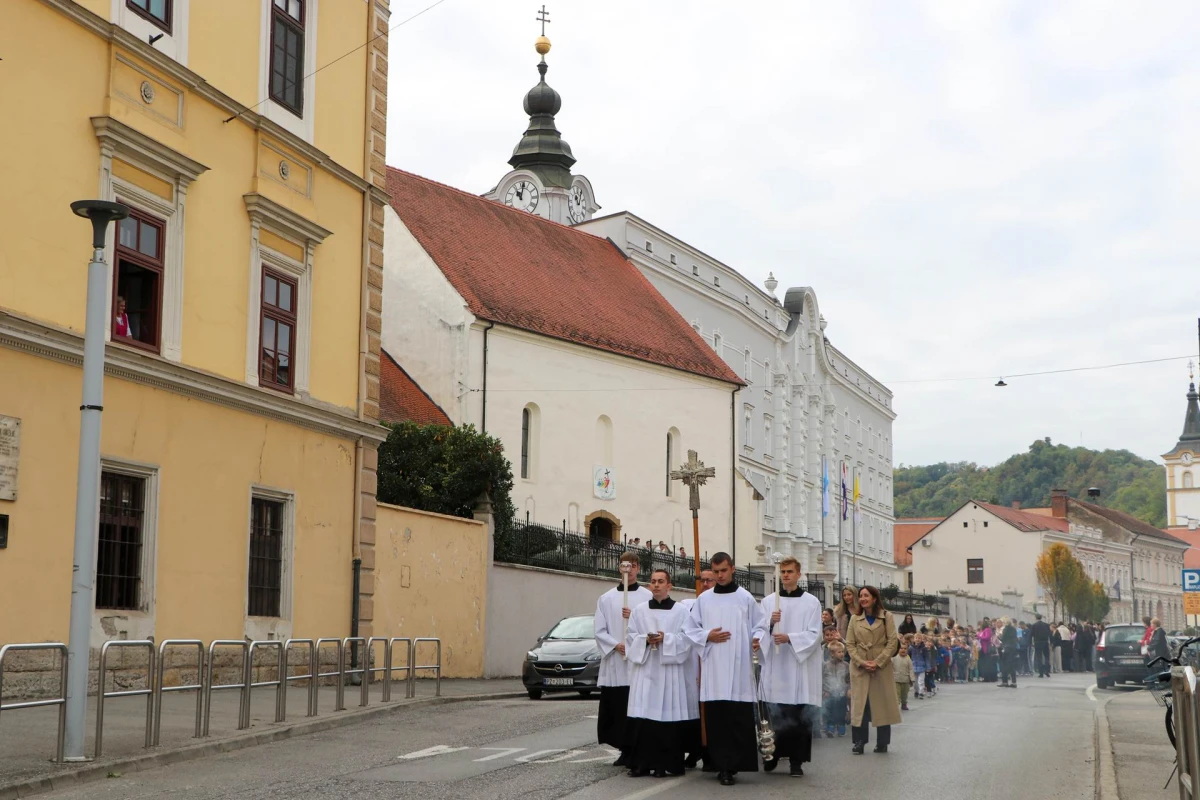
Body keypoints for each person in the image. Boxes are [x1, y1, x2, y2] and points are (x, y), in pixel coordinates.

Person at [684, 552, 767, 786]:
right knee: (718, 720)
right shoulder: (704, 599)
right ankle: (722, 767)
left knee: (737, 719)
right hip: (714, 668)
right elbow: (689, 628)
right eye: (716, 571)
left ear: (732, 569)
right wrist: (707, 635)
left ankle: (736, 763)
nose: (719, 576)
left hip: (739, 669)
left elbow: (759, 625)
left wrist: (757, 638)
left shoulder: (746, 598)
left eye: (723, 571)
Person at [758, 556, 822, 777]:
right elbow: (757, 633)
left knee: (798, 716)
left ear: (798, 574)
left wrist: (790, 638)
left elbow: (815, 635)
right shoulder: (768, 603)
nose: (785, 575)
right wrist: (770, 623)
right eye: (782, 572)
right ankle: (771, 755)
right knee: (774, 715)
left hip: (798, 668)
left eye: (789, 571)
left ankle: (797, 761)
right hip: (775, 667)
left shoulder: (811, 602)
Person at [625, 569, 692, 778]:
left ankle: (667, 765)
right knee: (643, 718)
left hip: (669, 672)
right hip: (645, 670)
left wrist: (667, 638)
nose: (656, 585)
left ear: (669, 586)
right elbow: (630, 637)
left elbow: (687, 639)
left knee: (667, 719)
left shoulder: (681, 611)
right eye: (653, 581)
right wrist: (645, 639)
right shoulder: (639, 610)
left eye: (660, 581)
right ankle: (641, 764)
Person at [594, 552, 653, 766]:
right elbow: (599, 630)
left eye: (633, 565)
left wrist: (635, 617)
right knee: (618, 709)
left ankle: (638, 748)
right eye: (624, 565)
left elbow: (652, 625)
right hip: (616, 663)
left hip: (637, 662)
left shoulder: (647, 597)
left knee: (637, 707)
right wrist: (615, 644)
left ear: (638, 568)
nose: (629, 569)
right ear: (620, 568)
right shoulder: (606, 598)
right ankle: (623, 749)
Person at [846, 585, 902, 754]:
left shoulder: (887, 617)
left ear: (875, 598)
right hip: (860, 667)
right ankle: (859, 742)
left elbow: (893, 642)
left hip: (881, 667)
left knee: (881, 703)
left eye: (866, 596)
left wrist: (878, 662)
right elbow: (849, 644)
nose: (863, 599)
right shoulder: (854, 619)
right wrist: (861, 662)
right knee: (860, 704)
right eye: (861, 596)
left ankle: (882, 742)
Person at [679, 569, 715, 769]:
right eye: (703, 580)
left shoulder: (719, 604)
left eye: (710, 580)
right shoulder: (687, 606)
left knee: (710, 712)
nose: (706, 584)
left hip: (711, 664)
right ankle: (694, 750)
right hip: (692, 663)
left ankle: (710, 753)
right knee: (693, 712)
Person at [823, 641, 850, 737]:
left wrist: (849, 690)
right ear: (832, 654)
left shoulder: (846, 665)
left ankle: (841, 724)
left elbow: (848, 679)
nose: (842, 654)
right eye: (839, 652)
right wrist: (824, 690)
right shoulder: (826, 665)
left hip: (842, 692)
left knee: (841, 709)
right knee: (829, 709)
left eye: (843, 651)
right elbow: (823, 678)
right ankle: (830, 726)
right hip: (829, 692)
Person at [998, 618, 1019, 688]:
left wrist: (998, 636)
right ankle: (1014, 682)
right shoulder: (1013, 629)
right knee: (1012, 665)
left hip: (1006, 648)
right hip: (1013, 648)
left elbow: (1003, 638)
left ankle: (1005, 682)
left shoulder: (1005, 629)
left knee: (1004, 665)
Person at [893, 641, 914, 711]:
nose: (903, 650)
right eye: (901, 648)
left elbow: (911, 669)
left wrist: (912, 679)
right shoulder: (894, 658)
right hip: (896, 679)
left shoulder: (908, 659)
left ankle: (904, 703)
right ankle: (896, 704)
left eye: (905, 649)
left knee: (904, 694)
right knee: (897, 694)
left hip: (905, 680)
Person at [909, 634, 929, 699]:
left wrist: (928, 667)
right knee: (915, 681)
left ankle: (921, 692)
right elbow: (908, 657)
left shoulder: (924, 648)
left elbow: (926, 658)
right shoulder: (911, 648)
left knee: (921, 681)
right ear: (914, 639)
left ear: (921, 639)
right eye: (916, 638)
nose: (917, 639)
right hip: (913, 666)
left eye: (919, 638)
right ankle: (916, 691)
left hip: (922, 667)